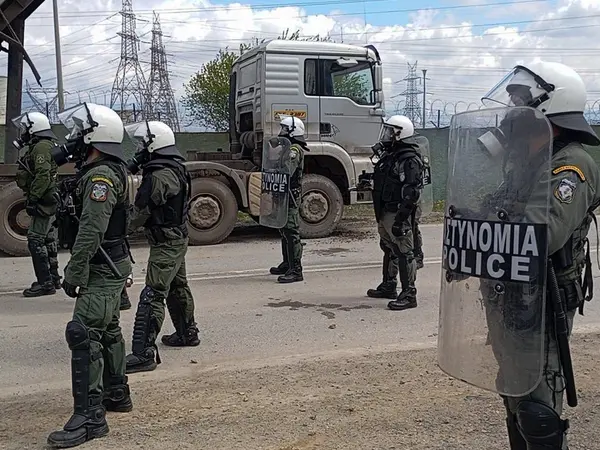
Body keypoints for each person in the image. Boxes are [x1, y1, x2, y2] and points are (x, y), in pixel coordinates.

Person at [439, 61, 600, 450]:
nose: (512, 112)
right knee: (513, 390)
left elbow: (541, 236)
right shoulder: (527, 162)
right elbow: (498, 214)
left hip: (540, 306)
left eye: (519, 103)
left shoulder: (571, 164)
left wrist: (482, 241)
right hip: (507, 298)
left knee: (537, 408)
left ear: (548, 108)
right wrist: (467, 233)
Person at [47, 103, 133, 448]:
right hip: (111, 264)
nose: (73, 140)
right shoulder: (103, 171)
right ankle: (116, 393)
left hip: (101, 266)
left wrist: (75, 270)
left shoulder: (100, 177)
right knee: (108, 330)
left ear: (95, 137)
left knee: (82, 333)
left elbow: (92, 229)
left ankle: (89, 418)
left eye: (80, 134)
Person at [123, 120, 200, 375]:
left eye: (143, 144)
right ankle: (187, 333)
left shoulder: (158, 176)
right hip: (175, 238)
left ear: (153, 144)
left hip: (166, 242)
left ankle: (143, 353)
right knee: (177, 286)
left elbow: (140, 212)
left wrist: (116, 228)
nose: (139, 150)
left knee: (153, 293)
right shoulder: (174, 167)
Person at [365, 115, 425, 311]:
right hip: (385, 210)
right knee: (389, 247)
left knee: (404, 251)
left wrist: (401, 219)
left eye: (390, 131)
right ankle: (389, 285)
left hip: (397, 212)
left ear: (400, 133)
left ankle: (409, 294)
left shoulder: (409, 159)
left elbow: (411, 192)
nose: (387, 134)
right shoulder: (391, 155)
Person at [13, 111, 62, 297]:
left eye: (26, 129)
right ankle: (54, 278)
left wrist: (33, 197)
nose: (24, 132)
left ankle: (45, 283)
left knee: (35, 239)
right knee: (48, 238)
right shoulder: (45, 145)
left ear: (34, 129)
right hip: (49, 197)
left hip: (44, 200)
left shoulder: (41, 147)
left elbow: (42, 175)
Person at [269, 116, 308, 283]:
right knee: (283, 229)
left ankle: (296, 270)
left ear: (293, 131)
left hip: (291, 194)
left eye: (284, 129)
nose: (281, 132)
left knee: (291, 231)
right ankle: (287, 263)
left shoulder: (294, 150)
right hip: (283, 193)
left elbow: (287, 171)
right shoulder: (287, 148)